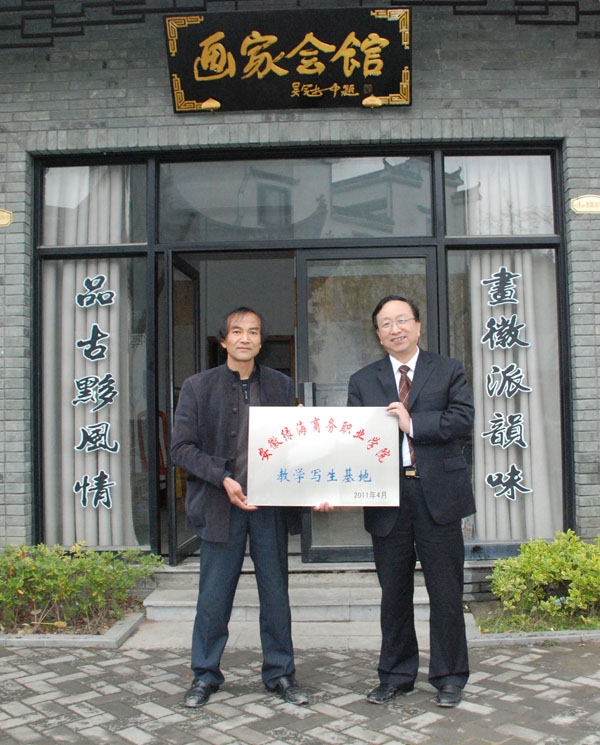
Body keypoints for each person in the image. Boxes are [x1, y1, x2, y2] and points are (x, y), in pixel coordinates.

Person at [170, 307, 308, 708]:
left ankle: (280, 674)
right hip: (220, 505)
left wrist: (305, 430)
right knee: (214, 597)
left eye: (253, 332)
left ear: (261, 342)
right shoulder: (198, 387)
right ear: (224, 340)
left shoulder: (281, 385)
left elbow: (291, 447)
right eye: (237, 331)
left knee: (275, 594)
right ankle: (205, 675)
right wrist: (222, 478)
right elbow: (181, 448)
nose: (245, 338)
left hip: (268, 506)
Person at [347, 295, 475, 708]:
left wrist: (412, 422)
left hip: (438, 495)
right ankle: (396, 675)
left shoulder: (448, 370)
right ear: (378, 334)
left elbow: (463, 420)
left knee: (446, 592)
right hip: (388, 498)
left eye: (402, 320)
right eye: (386, 323)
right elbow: (353, 441)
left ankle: (449, 677)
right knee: (394, 594)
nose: (395, 328)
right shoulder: (362, 380)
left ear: (418, 326)